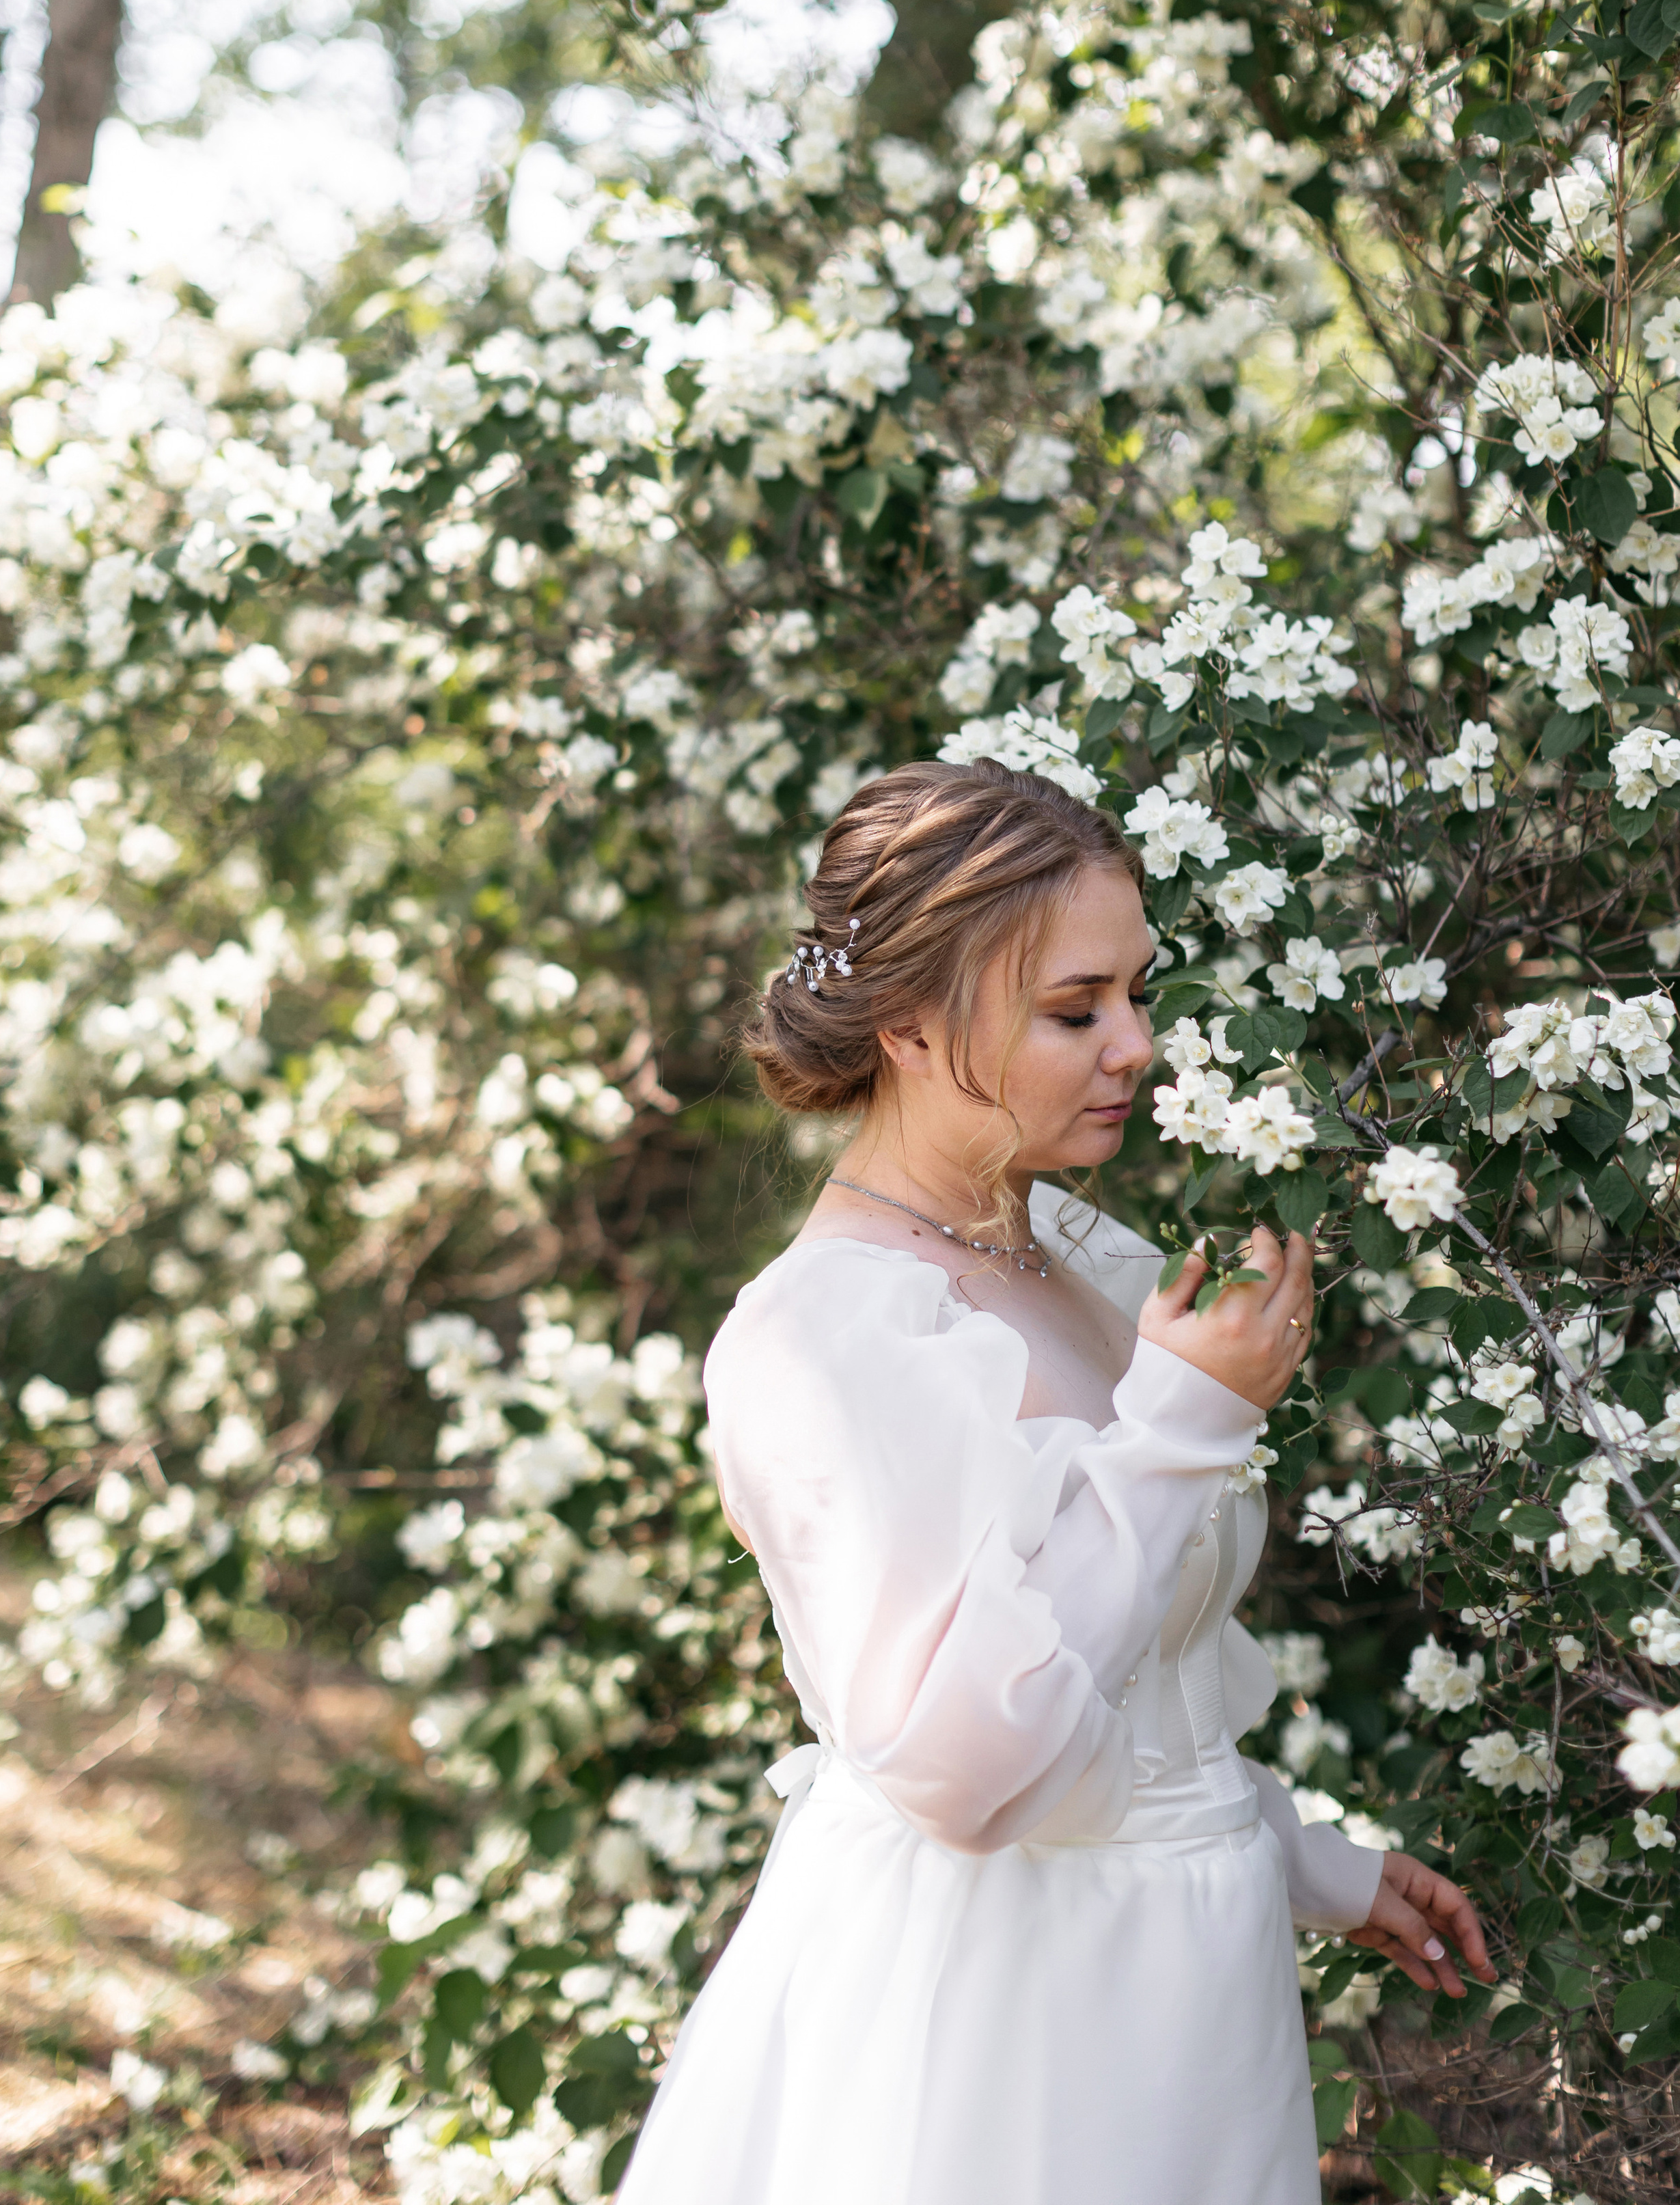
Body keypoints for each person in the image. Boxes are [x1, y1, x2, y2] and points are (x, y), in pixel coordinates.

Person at [618, 758, 1493, 2205]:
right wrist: (1178, 1428)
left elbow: (1134, 1684)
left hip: (1190, 1991)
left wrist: (1301, 1858)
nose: (1135, 1046)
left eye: (1137, 994)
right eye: (1074, 1010)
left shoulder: (1085, 1261)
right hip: (996, 2014)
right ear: (902, 1023)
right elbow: (969, 1767)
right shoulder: (827, 1330)